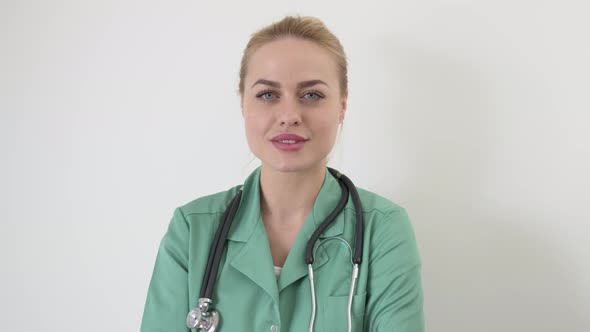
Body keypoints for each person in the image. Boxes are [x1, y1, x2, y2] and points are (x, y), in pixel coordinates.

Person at [140, 15, 424, 332]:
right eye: (268, 95)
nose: (289, 115)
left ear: (342, 106)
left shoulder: (382, 230)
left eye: (312, 95)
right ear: (243, 104)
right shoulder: (191, 231)